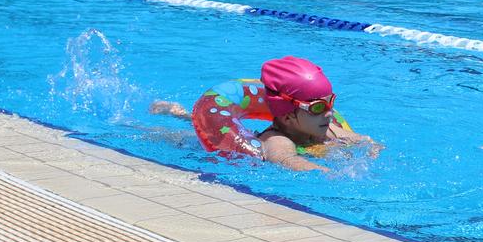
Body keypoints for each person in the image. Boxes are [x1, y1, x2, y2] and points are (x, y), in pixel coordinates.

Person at [151, 56, 379, 172]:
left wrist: (371, 149)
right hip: (219, 144)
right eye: (318, 108)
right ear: (288, 114)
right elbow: (286, 159)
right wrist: (325, 171)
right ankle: (178, 113)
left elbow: (366, 141)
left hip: (250, 131)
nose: (329, 114)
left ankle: (178, 112)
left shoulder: (328, 129)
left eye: (331, 103)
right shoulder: (277, 140)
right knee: (182, 138)